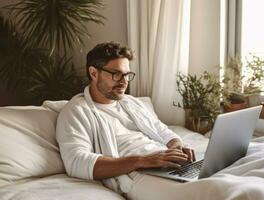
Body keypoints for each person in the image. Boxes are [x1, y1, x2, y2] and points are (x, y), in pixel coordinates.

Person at [56, 42, 195, 196]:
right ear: (93, 73)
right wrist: (144, 161)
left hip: (164, 164)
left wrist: (177, 148)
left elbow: (164, 132)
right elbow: (77, 163)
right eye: (116, 74)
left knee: (222, 179)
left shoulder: (132, 103)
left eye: (127, 74)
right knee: (213, 190)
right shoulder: (76, 111)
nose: (124, 81)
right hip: (137, 173)